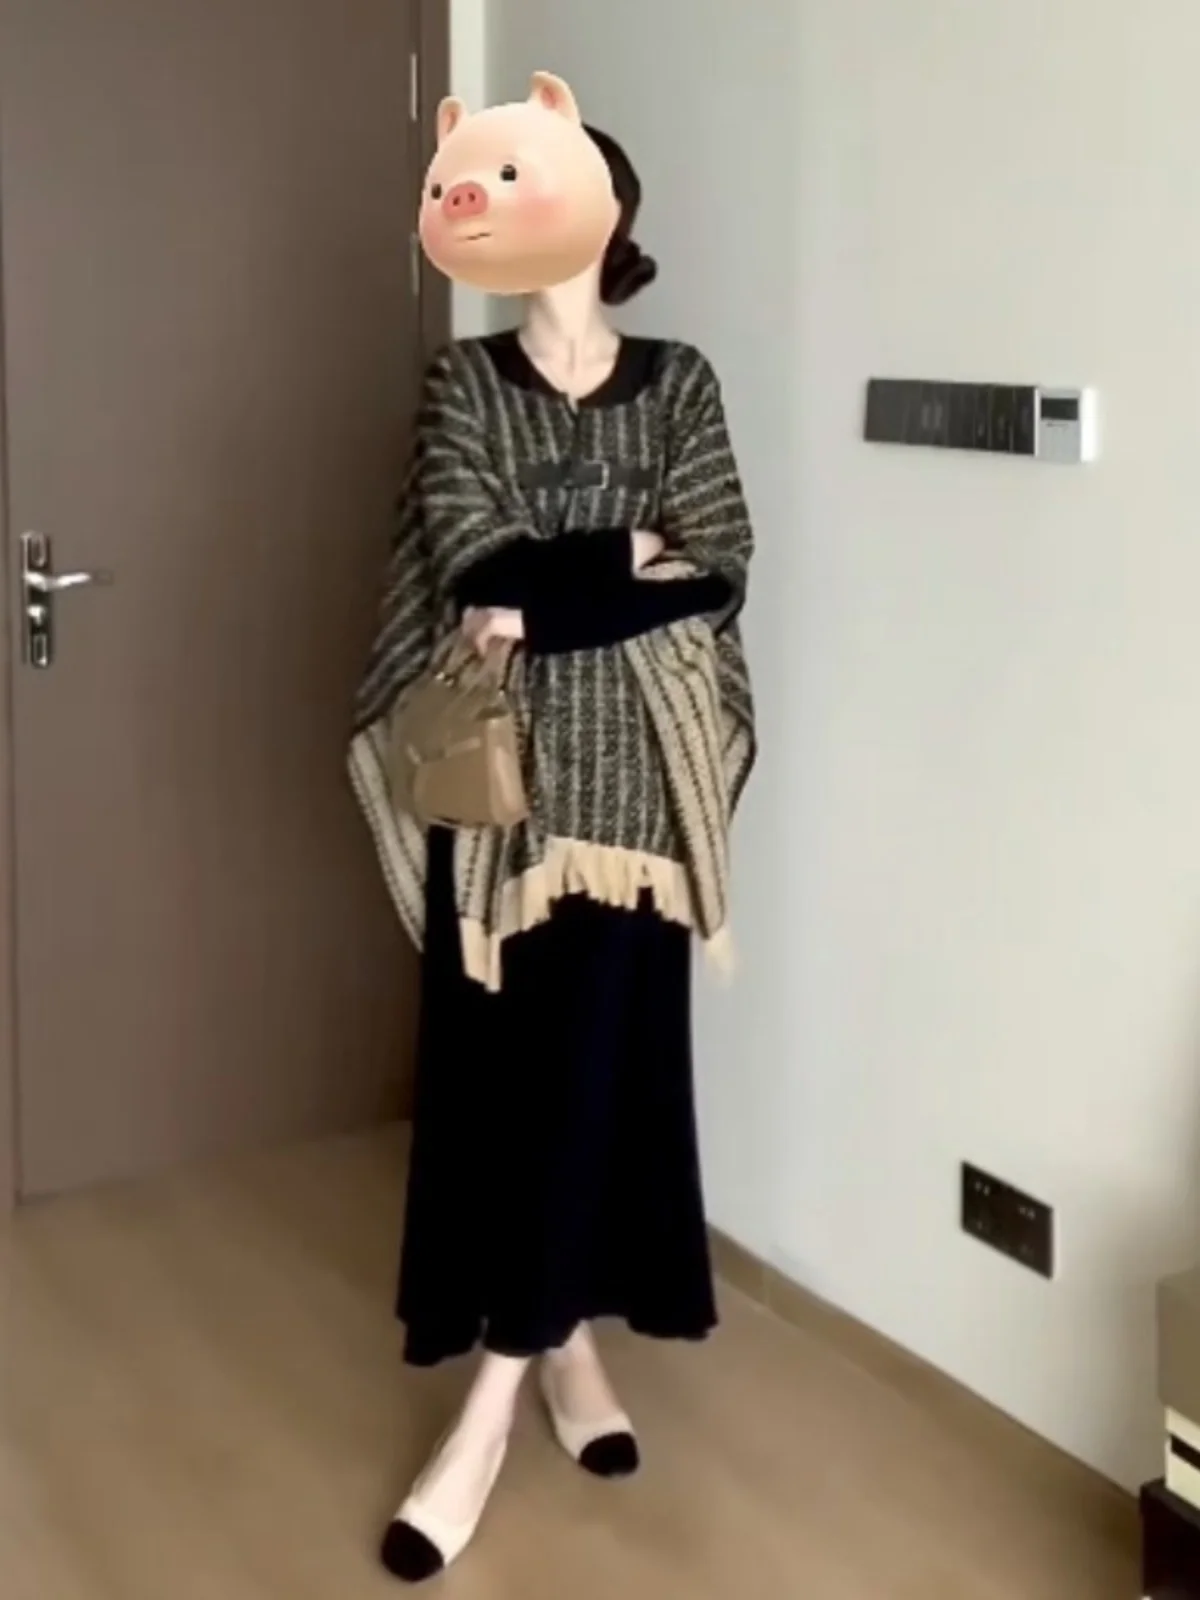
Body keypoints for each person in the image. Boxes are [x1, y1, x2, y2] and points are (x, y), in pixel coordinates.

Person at [349, 111, 756, 1584]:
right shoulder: (460, 382)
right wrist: (617, 560)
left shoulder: (681, 381)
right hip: (496, 806)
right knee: (504, 1089)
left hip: (638, 806)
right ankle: (559, 1343)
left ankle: (492, 1408)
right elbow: (474, 566)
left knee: (601, 1083)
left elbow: (718, 564)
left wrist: (551, 597)